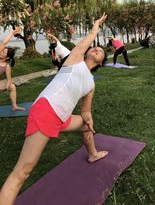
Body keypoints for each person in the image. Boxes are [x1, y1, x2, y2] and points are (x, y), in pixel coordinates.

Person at [0, 13, 108, 205]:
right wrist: (96, 26)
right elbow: (88, 40)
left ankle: (92, 154)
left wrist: (88, 118)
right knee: (23, 171)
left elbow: (85, 110)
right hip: (47, 111)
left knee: (85, 125)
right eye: (95, 47)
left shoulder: (91, 84)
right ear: (86, 52)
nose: (97, 48)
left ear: (101, 62)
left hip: (61, 116)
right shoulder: (74, 60)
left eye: (100, 51)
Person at [0, 27, 25, 111]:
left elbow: (9, 79)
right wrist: (12, 33)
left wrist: (6, 87)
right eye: (2, 50)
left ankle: (14, 106)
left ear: (6, 57)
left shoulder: (6, 66)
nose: (1, 51)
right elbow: (3, 43)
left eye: (3, 52)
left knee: (12, 86)